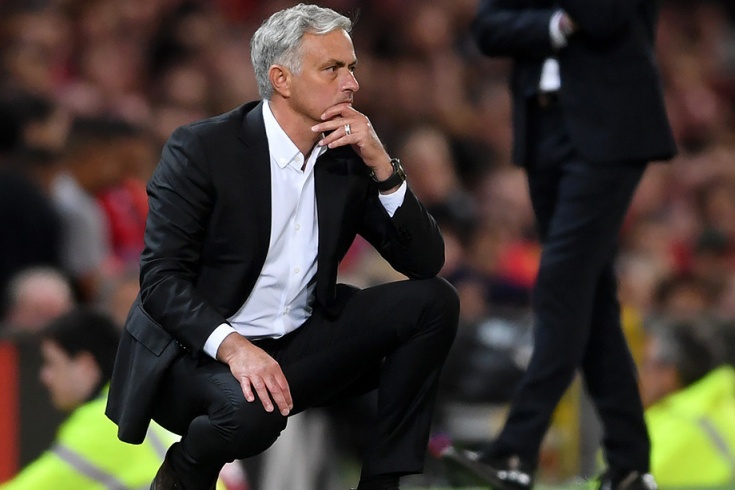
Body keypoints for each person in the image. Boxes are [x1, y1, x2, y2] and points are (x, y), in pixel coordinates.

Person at [105, 4, 459, 490]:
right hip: (197, 354)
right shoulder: (203, 149)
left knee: (434, 301)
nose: (351, 83)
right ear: (281, 79)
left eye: (352, 67)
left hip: (297, 340)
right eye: (332, 68)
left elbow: (425, 262)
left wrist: (384, 166)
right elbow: (161, 281)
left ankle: (382, 483)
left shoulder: (348, 157)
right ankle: (185, 469)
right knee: (254, 412)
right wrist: (235, 348)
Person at [441, 1, 677, 489]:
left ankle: (515, 450)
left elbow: (603, 17)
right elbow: (488, 28)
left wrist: (542, 24)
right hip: (544, 130)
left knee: (560, 285)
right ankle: (631, 463)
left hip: (609, 130)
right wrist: (552, 24)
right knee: (592, 299)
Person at [0, 307, 173, 489]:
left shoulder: (105, 421)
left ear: (85, 367)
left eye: (51, 363)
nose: (44, 376)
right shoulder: (130, 407)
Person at [640, 317, 735, 487]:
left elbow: (619, 479)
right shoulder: (723, 404)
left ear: (669, 373)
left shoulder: (678, 423)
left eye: (646, 364)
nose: (639, 375)